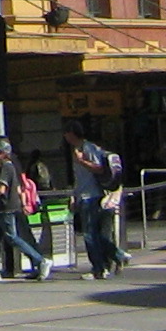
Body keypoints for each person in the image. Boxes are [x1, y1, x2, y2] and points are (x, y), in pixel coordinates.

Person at [0, 137, 51, 282]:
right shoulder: (8, 167)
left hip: (6, 207)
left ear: (3, 153)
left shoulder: (6, 167)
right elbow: (18, 188)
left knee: (12, 237)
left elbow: (1, 189)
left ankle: (39, 260)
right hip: (6, 207)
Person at [63, 120, 123, 280]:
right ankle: (114, 258)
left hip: (92, 196)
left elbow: (99, 168)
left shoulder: (88, 148)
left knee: (90, 234)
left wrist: (81, 161)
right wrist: (74, 196)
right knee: (95, 234)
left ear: (71, 133)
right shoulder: (77, 149)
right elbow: (78, 178)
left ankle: (100, 267)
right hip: (83, 196)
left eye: (66, 133)